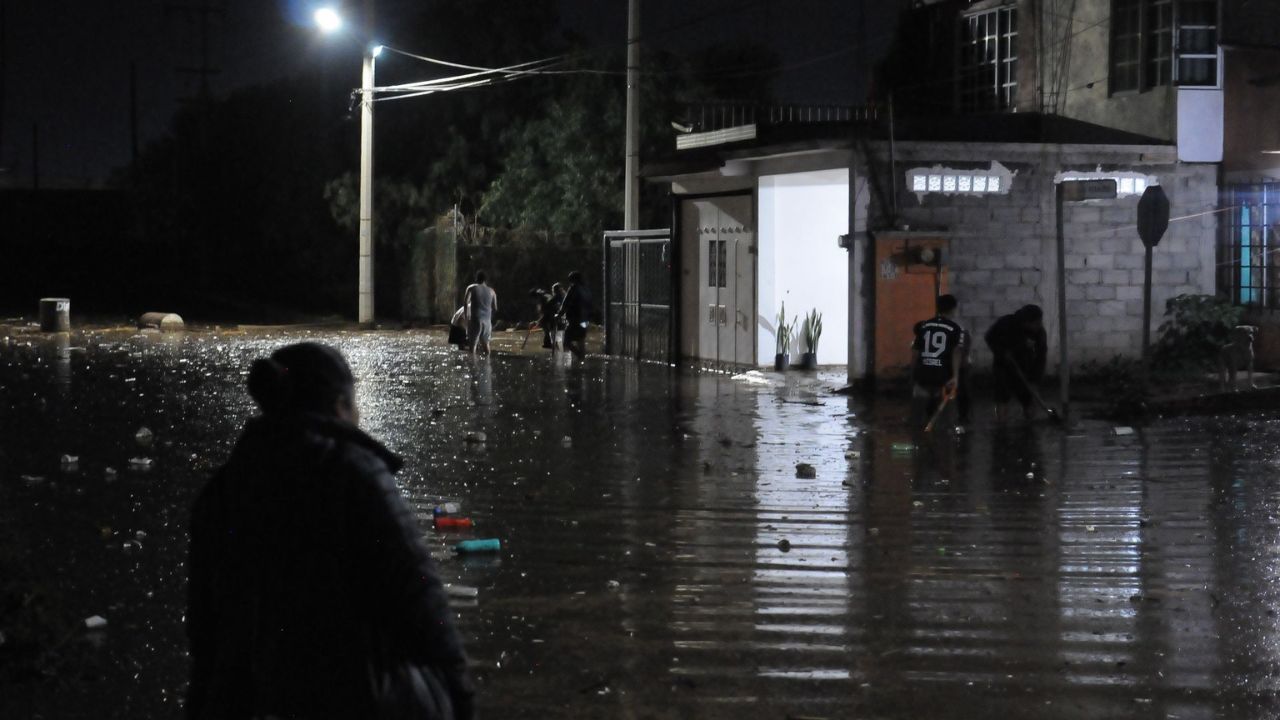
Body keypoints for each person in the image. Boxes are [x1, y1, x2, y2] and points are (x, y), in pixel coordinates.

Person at [186, 343, 474, 720]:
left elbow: (204, 631)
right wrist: (460, 696)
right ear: (340, 405)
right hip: (353, 697)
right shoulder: (354, 475)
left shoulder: (223, 490)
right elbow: (420, 601)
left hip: (249, 701)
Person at [985, 303, 1049, 421]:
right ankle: (1001, 423)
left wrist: (1035, 380)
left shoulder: (1039, 333)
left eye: (1039, 322)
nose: (1038, 326)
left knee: (1029, 397)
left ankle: (1030, 423)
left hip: (1026, 368)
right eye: (1035, 323)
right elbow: (989, 337)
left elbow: (1041, 357)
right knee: (1002, 396)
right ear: (1026, 322)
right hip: (1003, 367)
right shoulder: (1006, 323)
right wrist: (1002, 353)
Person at [911, 294, 965, 431]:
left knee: (918, 418)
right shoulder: (955, 328)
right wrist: (956, 377)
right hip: (943, 376)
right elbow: (956, 352)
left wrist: (914, 373)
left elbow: (915, 352)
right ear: (953, 309)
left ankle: (919, 445)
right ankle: (940, 446)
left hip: (923, 375)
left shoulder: (925, 326)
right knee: (944, 420)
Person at [558, 271, 593, 361]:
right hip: (585, 319)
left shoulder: (574, 288)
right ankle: (582, 361)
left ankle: (579, 357)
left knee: (566, 342)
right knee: (581, 340)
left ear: (573, 280)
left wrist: (559, 314)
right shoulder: (587, 289)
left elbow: (565, 303)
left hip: (575, 319)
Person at [463, 271, 497, 357]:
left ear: (476, 279)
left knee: (473, 347)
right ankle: (488, 366)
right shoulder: (492, 291)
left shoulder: (471, 288)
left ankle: (473, 368)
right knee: (486, 346)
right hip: (487, 322)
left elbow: (466, 302)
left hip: (476, 320)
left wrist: (467, 317)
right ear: (486, 280)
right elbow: (495, 307)